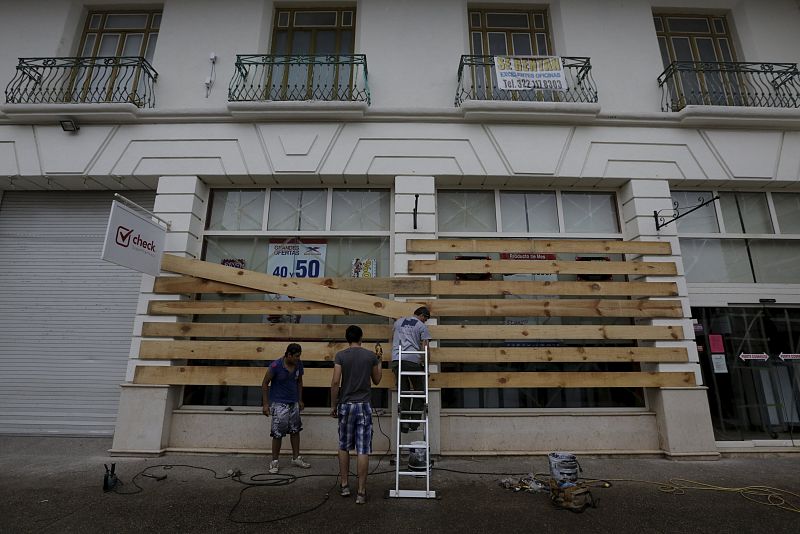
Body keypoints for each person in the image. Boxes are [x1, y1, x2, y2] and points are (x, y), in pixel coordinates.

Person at [330, 325, 382, 504]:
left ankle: (344, 486)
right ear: (361, 337)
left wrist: (333, 405)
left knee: (344, 446)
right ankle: (361, 492)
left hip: (346, 405)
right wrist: (380, 361)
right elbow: (376, 380)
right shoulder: (370, 356)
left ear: (347, 338)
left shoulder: (341, 356)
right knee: (363, 449)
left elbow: (336, 381)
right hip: (364, 406)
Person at [262, 343, 311, 474]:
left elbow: (299, 381)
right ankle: (274, 462)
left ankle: (296, 458)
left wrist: (300, 399)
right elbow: (265, 383)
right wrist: (266, 404)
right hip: (279, 404)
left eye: (299, 356)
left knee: (295, 430)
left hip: (293, 403)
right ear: (288, 355)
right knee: (277, 433)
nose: (298, 358)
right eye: (296, 356)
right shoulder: (275, 366)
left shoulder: (299, 364)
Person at [390, 306, 432, 433]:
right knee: (420, 391)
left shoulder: (398, 322)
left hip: (397, 360)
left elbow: (396, 338)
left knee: (404, 391)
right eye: (426, 318)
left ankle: (404, 423)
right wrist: (426, 367)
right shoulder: (421, 326)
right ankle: (414, 422)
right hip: (412, 361)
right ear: (422, 315)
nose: (425, 321)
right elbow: (425, 348)